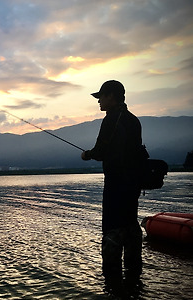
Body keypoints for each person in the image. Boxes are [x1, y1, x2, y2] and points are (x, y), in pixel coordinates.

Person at [81, 80, 143, 294]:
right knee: (131, 227)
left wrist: (86, 155)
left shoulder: (110, 120)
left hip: (115, 185)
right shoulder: (134, 121)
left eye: (101, 96)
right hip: (133, 186)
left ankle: (112, 286)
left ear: (112, 96)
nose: (98, 100)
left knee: (112, 232)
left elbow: (100, 151)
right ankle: (135, 284)